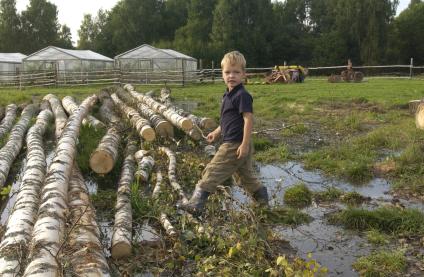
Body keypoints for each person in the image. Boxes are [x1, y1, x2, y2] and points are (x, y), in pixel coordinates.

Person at [180, 51, 269, 215]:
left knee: (212, 170)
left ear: (244, 74)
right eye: (227, 72)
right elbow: (227, 121)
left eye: (236, 72)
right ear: (222, 74)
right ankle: (263, 203)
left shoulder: (242, 95)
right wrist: (216, 132)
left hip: (235, 144)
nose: (231, 76)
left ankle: (196, 204)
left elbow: (248, 120)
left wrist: (244, 144)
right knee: (245, 176)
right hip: (236, 142)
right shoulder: (227, 95)